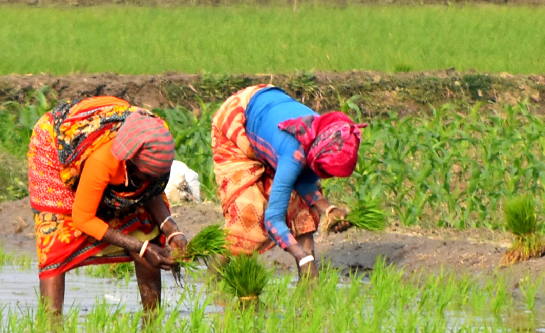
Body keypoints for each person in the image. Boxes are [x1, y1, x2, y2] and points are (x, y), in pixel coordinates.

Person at [28, 96, 187, 314]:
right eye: (144, 175)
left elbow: (150, 191)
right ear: (129, 161)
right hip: (55, 148)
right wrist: (140, 248)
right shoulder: (103, 161)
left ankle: (153, 323)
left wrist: (172, 231)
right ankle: (51, 332)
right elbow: (82, 218)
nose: (149, 181)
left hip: (111, 157)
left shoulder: (156, 138)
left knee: (145, 228)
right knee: (55, 238)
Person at [211, 85, 365, 278]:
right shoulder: (293, 154)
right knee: (247, 215)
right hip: (238, 120)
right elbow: (273, 218)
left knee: (303, 212)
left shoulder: (326, 134)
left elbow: (302, 180)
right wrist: (301, 256)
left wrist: (329, 210)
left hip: (272, 118)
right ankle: (213, 277)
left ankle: (309, 280)